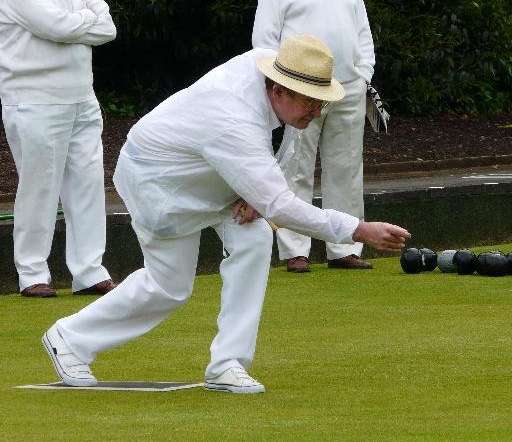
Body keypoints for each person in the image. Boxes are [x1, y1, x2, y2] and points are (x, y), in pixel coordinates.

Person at [41, 35, 410, 394]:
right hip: (160, 180)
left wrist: (255, 188)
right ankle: (69, 338)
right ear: (279, 91)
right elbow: (280, 205)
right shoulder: (234, 119)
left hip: (213, 170)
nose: (317, 113)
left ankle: (227, 365)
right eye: (311, 104)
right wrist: (358, 230)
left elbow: (269, 164)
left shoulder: (276, 72)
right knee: (168, 287)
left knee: (255, 237)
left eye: (321, 103)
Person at [0, 0, 117, 297]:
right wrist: (84, 23)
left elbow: (108, 27)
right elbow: (54, 27)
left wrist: (73, 24)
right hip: (34, 97)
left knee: (88, 184)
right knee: (40, 186)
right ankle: (32, 273)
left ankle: (89, 271)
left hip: (82, 96)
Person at [253, 0, 376, 273]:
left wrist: (364, 75)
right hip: (299, 88)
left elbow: (362, 31)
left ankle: (344, 247)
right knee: (295, 166)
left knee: (347, 168)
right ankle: (296, 250)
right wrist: (279, 87)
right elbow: (264, 41)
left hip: (349, 85)